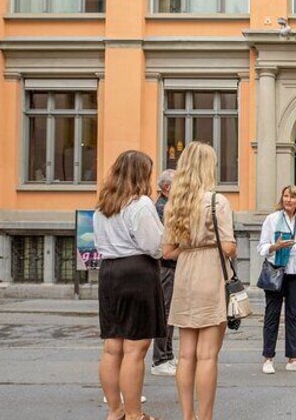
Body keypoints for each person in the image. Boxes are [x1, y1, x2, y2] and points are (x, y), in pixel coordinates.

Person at [163, 142, 237, 420]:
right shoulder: (217, 201)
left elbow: (168, 252)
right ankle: (205, 418)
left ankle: (187, 415)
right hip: (210, 273)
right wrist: (208, 245)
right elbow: (228, 247)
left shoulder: (175, 204)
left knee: (185, 355)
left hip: (185, 275)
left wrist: (189, 246)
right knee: (207, 356)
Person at [93, 150, 165, 420]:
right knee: (135, 349)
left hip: (109, 271)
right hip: (136, 271)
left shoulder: (104, 204)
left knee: (112, 346)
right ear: (141, 174)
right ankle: (135, 414)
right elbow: (154, 246)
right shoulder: (141, 204)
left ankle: (115, 411)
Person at [257, 185, 296, 374]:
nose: (288, 200)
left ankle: (292, 359)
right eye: (285, 196)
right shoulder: (272, 219)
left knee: (293, 316)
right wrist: (275, 247)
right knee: (272, 315)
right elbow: (261, 247)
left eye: (292, 197)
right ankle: (268, 358)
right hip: (276, 272)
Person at [151, 169, 177, 377]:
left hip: (170, 266)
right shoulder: (162, 207)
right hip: (166, 267)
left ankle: (167, 354)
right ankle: (160, 359)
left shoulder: (167, 206)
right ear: (167, 187)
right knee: (165, 311)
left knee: (170, 312)